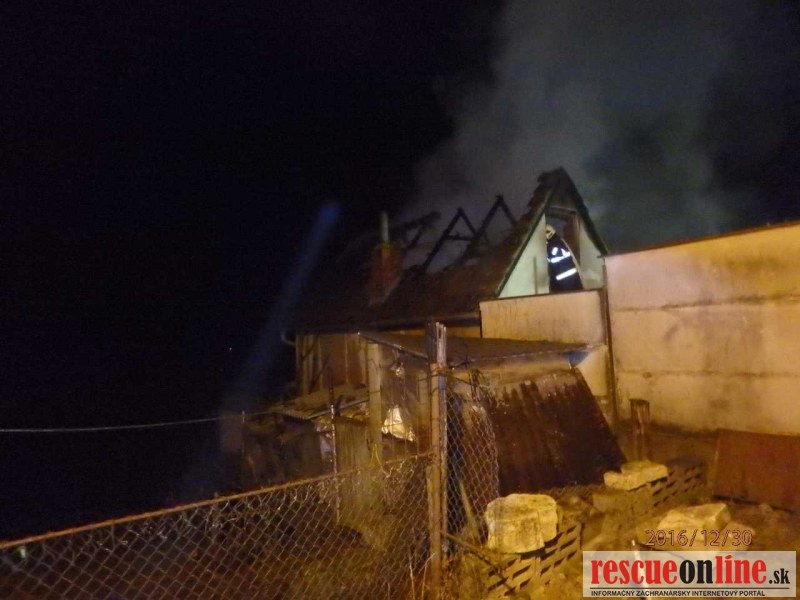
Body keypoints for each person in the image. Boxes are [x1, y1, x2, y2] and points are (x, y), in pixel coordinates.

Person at [545, 224, 583, 292]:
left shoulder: (553, 245)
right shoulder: (559, 241)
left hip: (565, 282)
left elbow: (553, 263)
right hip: (571, 280)